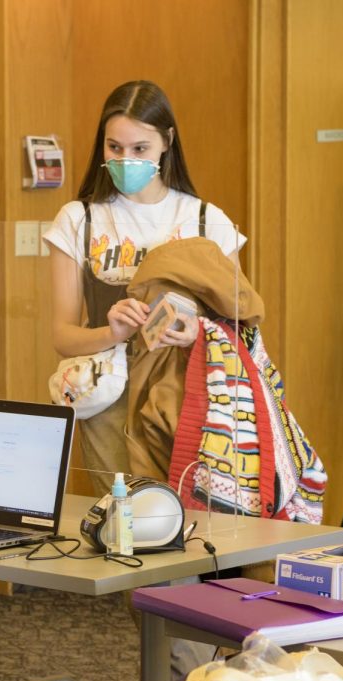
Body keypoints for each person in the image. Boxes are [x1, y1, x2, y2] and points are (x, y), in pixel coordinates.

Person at [42, 80, 246, 496]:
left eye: (140, 149)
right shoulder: (79, 219)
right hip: (109, 394)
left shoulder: (207, 220)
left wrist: (197, 334)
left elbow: (240, 326)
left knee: (187, 522)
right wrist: (110, 332)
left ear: (166, 142)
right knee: (124, 521)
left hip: (186, 395)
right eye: (114, 147)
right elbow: (62, 336)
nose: (125, 159)